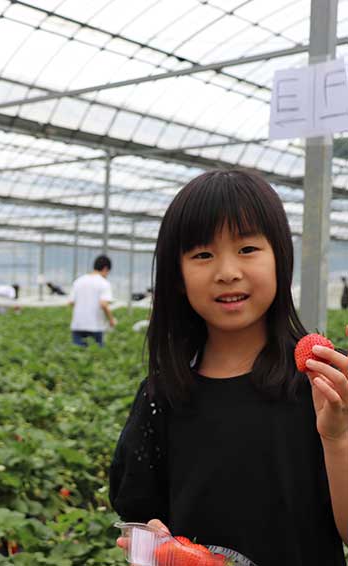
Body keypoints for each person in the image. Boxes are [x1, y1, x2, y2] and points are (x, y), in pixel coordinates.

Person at [109, 170, 348, 565]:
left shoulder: (323, 382)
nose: (227, 271)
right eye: (202, 255)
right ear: (178, 277)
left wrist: (338, 438)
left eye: (248, 249)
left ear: (280, 259)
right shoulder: (161, 397)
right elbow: (142, 517)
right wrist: (152, 543)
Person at [68, 255, 116, 347]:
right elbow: (104, 304)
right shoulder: (104, 283)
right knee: (97, 356)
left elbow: (71, 302)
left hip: (78, 324)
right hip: (95, 326)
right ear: (106, 268)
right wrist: (111, 320)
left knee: (78, 353)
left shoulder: (78, 281)